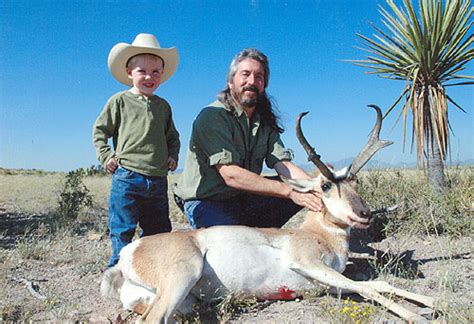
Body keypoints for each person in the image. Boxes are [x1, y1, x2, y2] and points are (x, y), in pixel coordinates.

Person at [174, 48, 322, 229]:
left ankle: (257, 234)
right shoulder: (212, 116)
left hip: (241, 198)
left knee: (305, 188)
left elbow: (283, 165)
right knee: (232, 245)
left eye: (259, 77)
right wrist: (290, 191)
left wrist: (316, 186)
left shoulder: (264, 121)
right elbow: (231, 175)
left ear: (264, 85)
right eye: (245, 74)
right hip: (205, 201)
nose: (252, 81)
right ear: (230, 82)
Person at [92, 33, 180, 267]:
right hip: (128, 177)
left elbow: (173, 137)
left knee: (158, 232)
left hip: (158, 179)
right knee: (122, 230)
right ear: (130, 73)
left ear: (162, 75)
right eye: (142, 71)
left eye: (155, 72)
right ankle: (118, 274)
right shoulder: (118, 101)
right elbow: (100, 131)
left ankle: (153, 274)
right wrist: (106, 155)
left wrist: (173, 155)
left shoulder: (163, 107)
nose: (149, 77)